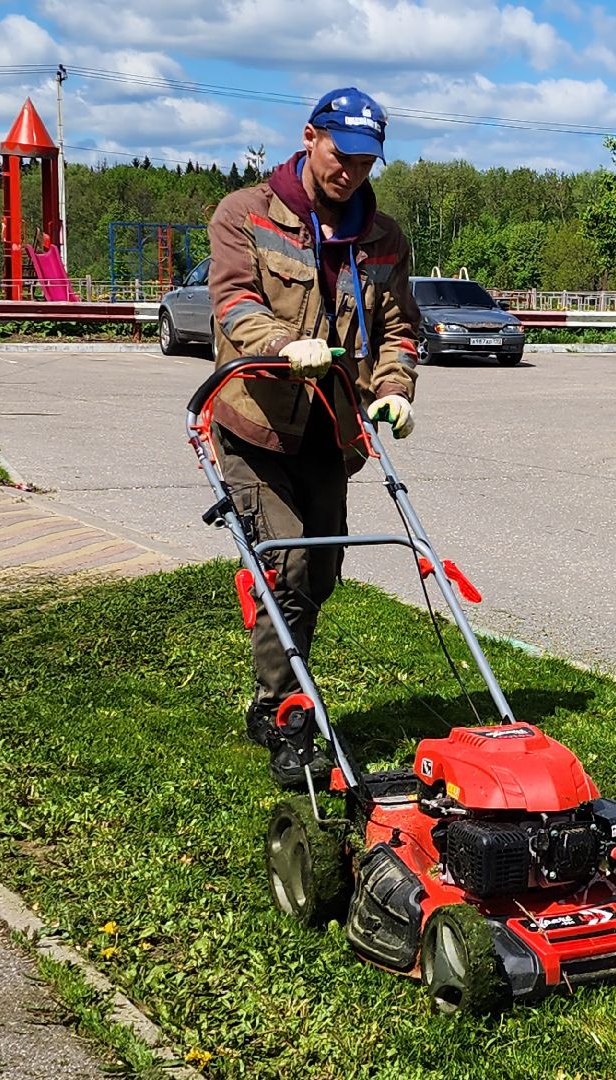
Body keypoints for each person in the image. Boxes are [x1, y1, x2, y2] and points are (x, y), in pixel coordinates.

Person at [207, 87, 423, 789]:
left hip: (333, 433)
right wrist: (281, 341)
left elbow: (399, 329)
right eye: (341, 154)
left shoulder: (384, 237)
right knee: (289, 568)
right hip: (255, 423)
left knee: (321, 573)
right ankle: (283, 713)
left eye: (365, 162)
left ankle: (277, 689)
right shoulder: (244, 214)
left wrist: (393, 390)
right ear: (309, 136)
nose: (351, 172)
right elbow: (234, 301)